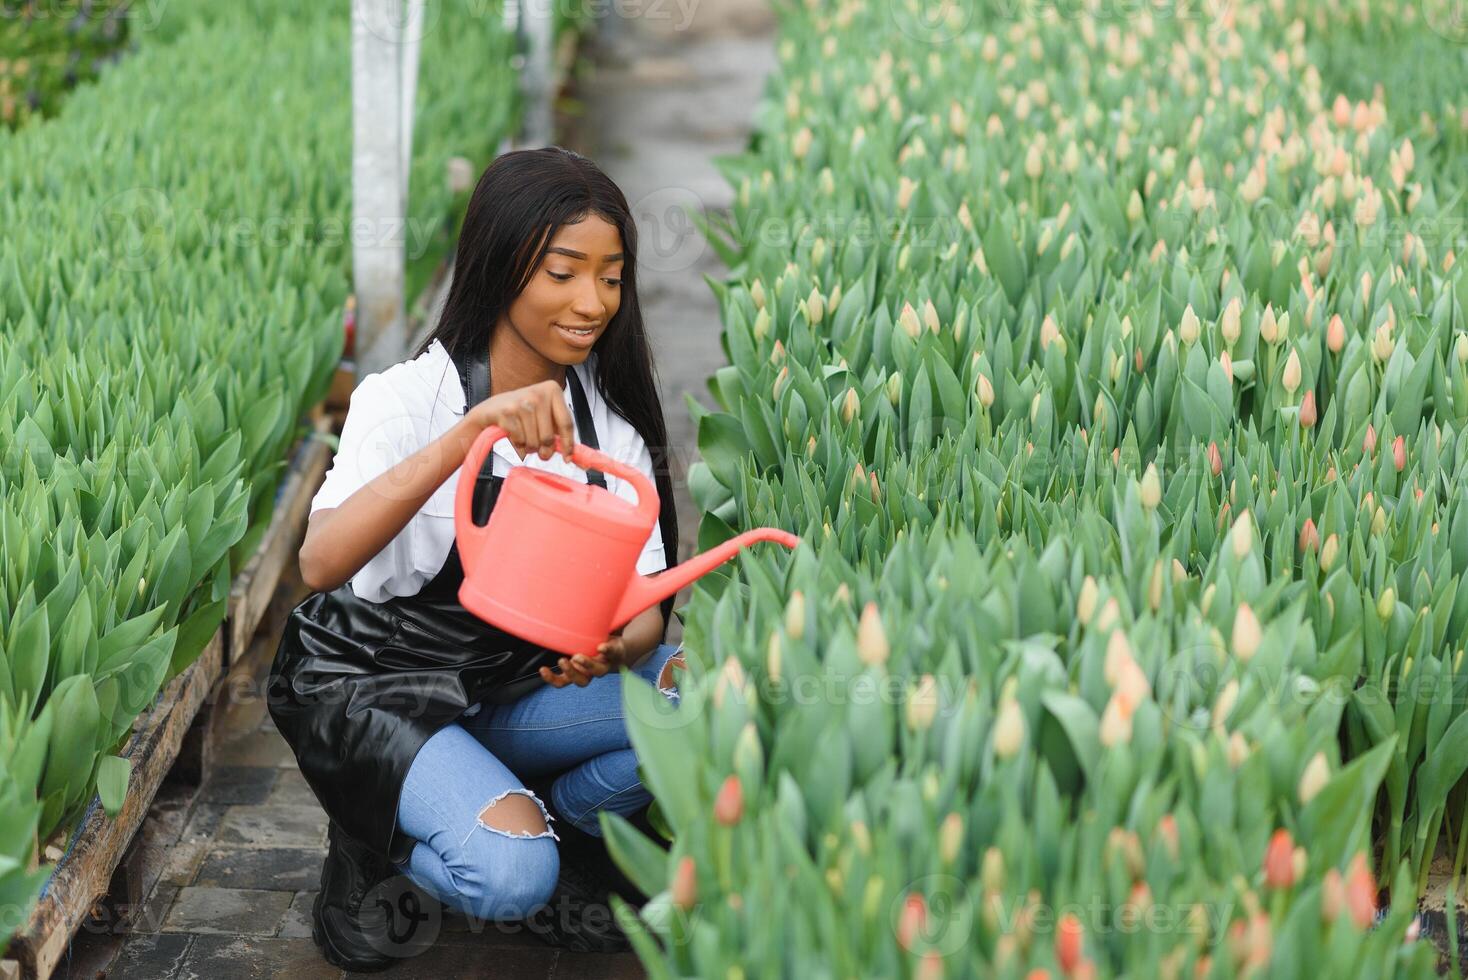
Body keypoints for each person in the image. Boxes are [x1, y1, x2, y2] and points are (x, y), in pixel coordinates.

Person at [267, 146, 686, 971]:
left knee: (694, 703)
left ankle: (544, 817)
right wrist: (470, 435)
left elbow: (648, 607)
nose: (592, 302)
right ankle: (374, 831)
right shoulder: (409, 400)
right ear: (500, 269)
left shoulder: (610, 429)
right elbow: (319, 563)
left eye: (611, 276)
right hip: (373, 683)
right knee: (512, 878)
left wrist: (618, 648)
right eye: (564, 272)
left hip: (510, 687)